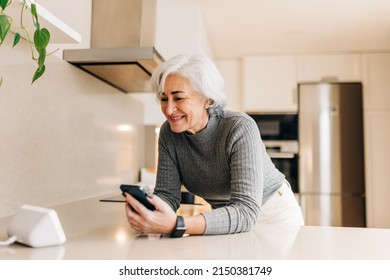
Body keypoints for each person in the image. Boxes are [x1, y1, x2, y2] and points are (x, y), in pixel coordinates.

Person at [124, 53, 304, 237]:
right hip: (225, 218)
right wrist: (150, 213)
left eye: (178, 98)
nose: (169, 109)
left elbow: (246, 211)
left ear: (207, 99)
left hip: (273, 215)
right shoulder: (168, 134)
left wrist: (178, 224)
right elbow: (167, 195)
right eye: (164, 99)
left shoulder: (239, 127)